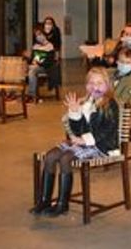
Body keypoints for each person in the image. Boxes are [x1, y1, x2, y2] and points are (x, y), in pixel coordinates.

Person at [30, 67, 119, 217]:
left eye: (99, 83)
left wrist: (85, 140)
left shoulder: (110, 105)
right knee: (51, 156)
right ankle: (44, 200)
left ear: (107, 85)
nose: (95, 87)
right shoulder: (86, 103)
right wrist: (75, 112)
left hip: (102, 146)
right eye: (91, 83)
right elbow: (78, 130)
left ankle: (62, 204)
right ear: (86, 85)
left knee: (65, 158)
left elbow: (107, 131)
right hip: (84, 143)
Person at [26, 25, 56, 101]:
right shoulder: (35, 46)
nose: (38, 37)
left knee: (32, 70)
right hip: (34, 66)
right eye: (36, 35)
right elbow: (32, 59)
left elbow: (49, 61)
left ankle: (31, 95)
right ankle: (17, 92)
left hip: (45, 67)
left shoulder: (50, 46)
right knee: (26, 69)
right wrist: (29, 58)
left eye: (39, 34)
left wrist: (38, 63)